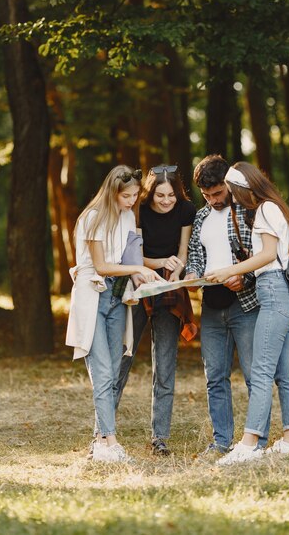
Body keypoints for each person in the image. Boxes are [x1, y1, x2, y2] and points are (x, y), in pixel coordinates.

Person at [206, 161, 289, 464]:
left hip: (274, 293)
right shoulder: (277, 207)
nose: (232, 199)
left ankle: (248, 445)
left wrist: (228, 270)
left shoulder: (263, 209)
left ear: (244, 189)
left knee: (260, 371)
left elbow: (267, 255)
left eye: (233, 192)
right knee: (284, 374)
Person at [65, 165, 160, 463]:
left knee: (113, 371)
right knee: (103, 372)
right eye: (126, 196)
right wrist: (137, 269)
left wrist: (145, 275)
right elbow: (103, 266)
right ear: (112, 191)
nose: (131, 201)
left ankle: (101, 441)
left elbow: (130, 259)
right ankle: (110, 442)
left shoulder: (129, 216)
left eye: (135, 196)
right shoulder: (92, 218)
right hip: (93, 296)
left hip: (117, 298)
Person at [184, 154, 266, 456]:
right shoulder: (203, 216)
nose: (212, 199)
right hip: (212, 306)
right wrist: (192, 271)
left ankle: (258, 440)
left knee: (253, 374)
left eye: (217, 193)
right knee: (214, 376)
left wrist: (245, 279)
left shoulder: (248, 211)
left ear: (228, 184)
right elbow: (195, 252)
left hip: (245, 303)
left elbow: (266, 255)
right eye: (206, 195)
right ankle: (221, 441)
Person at [115, 164, 196, 455]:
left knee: (165, 366)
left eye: (171, 195)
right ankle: (104, 434)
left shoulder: (186, 210)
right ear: (150, 194)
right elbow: (135, 256)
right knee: (123, 357)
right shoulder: (138, 210)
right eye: (160, 195)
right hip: (140, 286)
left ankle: (159, 437)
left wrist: (177, 272)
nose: (166, 201)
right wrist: (161, 263)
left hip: (169, 290)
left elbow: (183, 253)